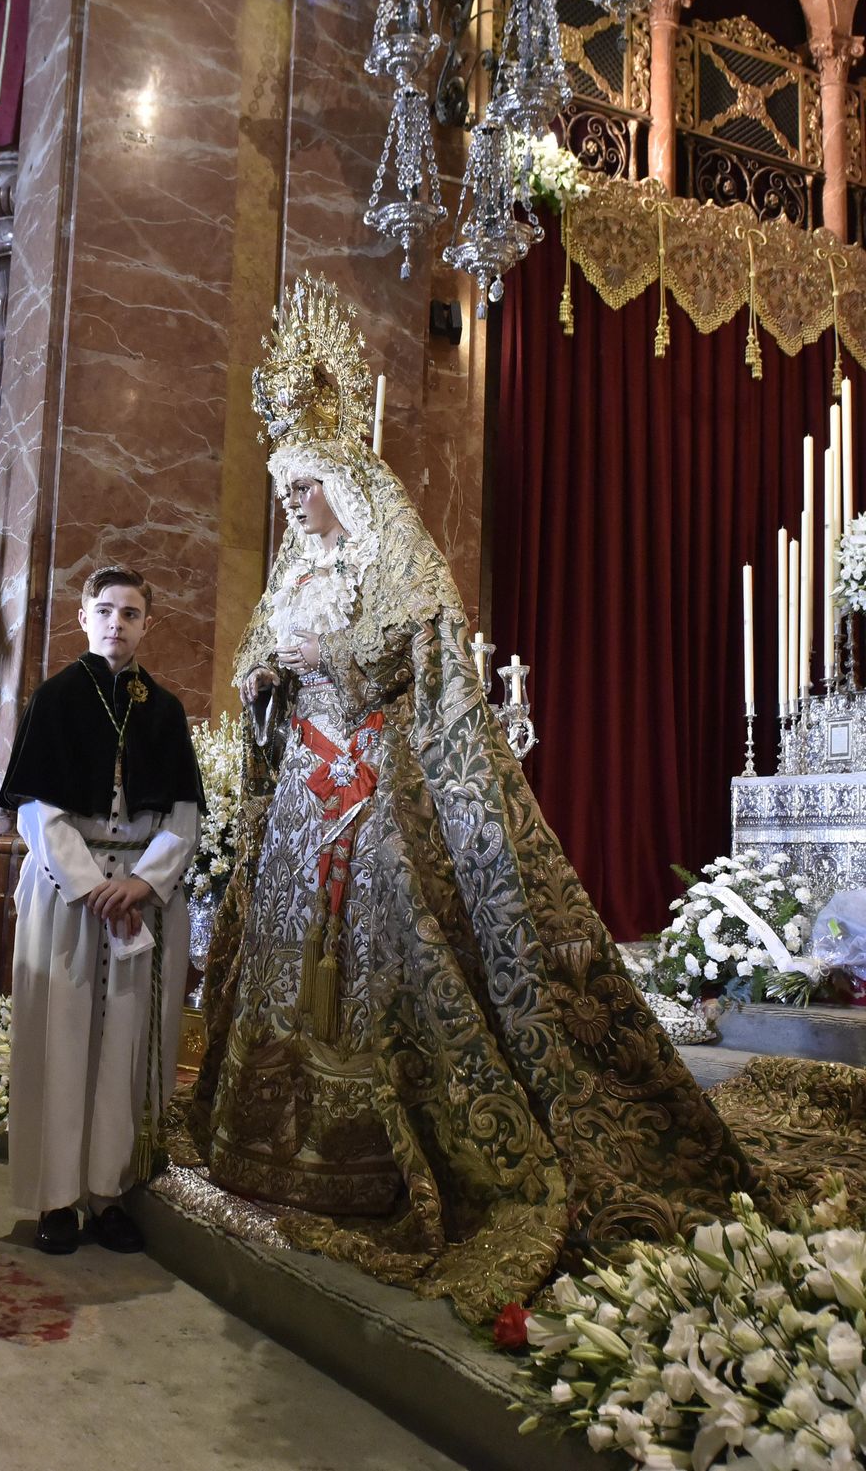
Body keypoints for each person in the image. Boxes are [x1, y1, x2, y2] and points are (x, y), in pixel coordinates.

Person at [185, 275, 754, 1321]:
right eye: (285, 493)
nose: (292, 508)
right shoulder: (292, 575)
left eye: (304, 490)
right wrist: (267, 678)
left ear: (343, 486)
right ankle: (272, 1129)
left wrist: (335, 659)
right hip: (301, 797)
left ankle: (369, 1146)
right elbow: (259, 662)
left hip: (369, 786)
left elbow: (422, 651)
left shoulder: (392, 562)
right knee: (288, 955)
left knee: (375, 959)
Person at [0, 566, 203, 1256]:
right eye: (107, 610)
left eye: (133, 612)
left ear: (150, 624)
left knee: (127, 1048)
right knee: (63, 1042)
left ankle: (113, 1192)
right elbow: (38, 811)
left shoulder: (166, 710)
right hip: (70, 896)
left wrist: (143, 884)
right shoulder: (55, 698)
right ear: (83, 616)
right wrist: (92, 888)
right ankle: (59, 1197)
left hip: (141, 902)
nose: (118, 622)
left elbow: (182, 816)